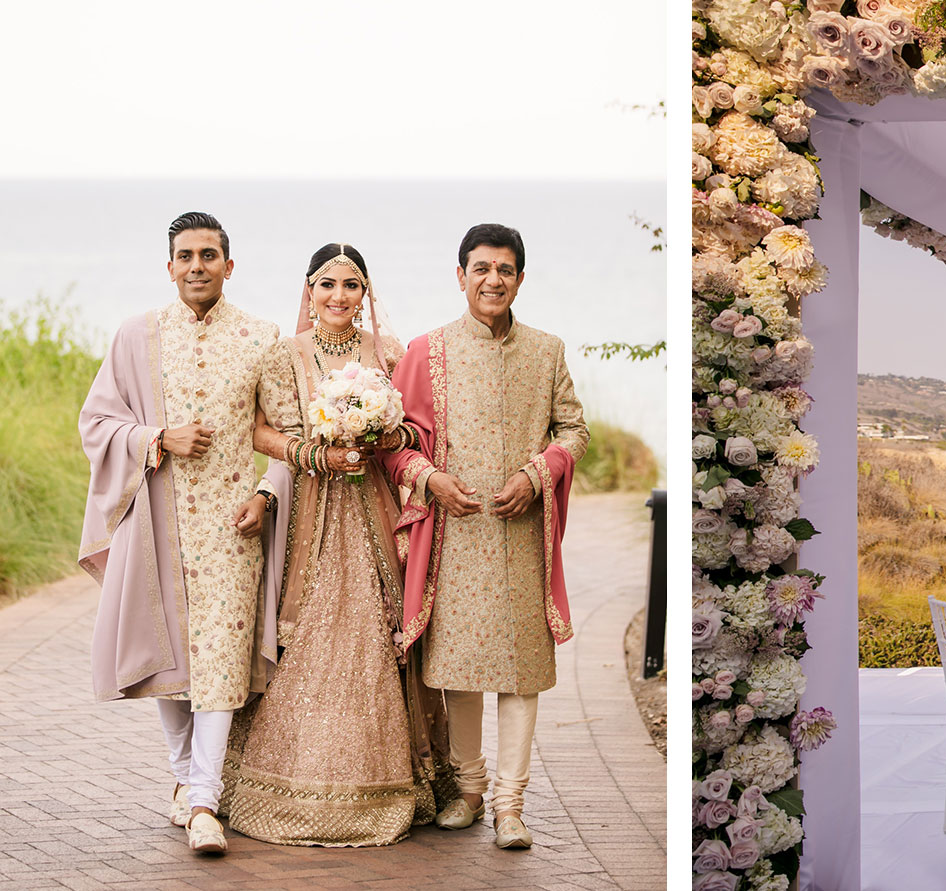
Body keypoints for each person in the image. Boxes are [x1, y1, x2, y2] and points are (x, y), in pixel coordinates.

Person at [219, 244, 454, 845]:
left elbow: (413, 428)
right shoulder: (284, 355)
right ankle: (282, 781)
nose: (339, 297)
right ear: (309, 290)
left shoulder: (389, 352)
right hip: (311, 513)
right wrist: (316, 452)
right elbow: (261, 432)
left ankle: (401, 782)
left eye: (352, 286)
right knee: (306, 629)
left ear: (366, 293)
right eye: (328, 285)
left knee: (381, 625)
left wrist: (380, 431)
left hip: (375, 504)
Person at [78, 212, 281, 855]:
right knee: (168, 660)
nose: (197, 265)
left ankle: (203, 803)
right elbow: (97, 422)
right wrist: (155, 439)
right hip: (157, 522)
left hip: (230, 529)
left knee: (220, 659)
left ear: (229, 264)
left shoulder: (262, 337)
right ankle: (181, 780)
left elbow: (287, 432)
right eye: (185, 256)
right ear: (169, 267)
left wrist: (266, 491)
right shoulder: (137, 336)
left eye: (209, 255)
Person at [381, 224, 588, 850]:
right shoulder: (427, 351)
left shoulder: (547, 350)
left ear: (520, 278)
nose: (492, 280)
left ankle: (510, 805)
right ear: (461, 275)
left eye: (504, 270)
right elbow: (394, 443)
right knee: (461, 670)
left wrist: (538, 473)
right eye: (481, 269)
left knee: (521, 674)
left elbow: (573, 429)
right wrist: (431, 480)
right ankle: (470, 791)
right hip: (455, 536)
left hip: (522, 534)